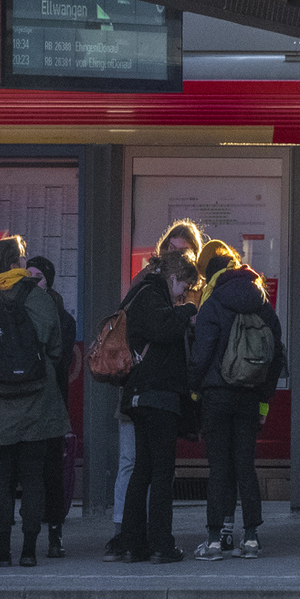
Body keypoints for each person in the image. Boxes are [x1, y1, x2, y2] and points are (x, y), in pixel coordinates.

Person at [0, 236, 66, 567]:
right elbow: (56, 347)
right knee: (33, 478)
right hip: (37, 405)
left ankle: (1, 548)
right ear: (16, 264)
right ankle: (30, 550)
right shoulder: (38, 297)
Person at [106, 220, 204, 556]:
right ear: (174, 277)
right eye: (182, 287)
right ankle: (161, 544)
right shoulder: (151, 292)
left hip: (141, 396)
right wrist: (188, 310)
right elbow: (162, 328)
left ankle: (134, 543)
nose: (182, 295)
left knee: (143, 471)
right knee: (161, 473)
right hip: (156, 397)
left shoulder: (145, 292)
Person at [187, 241, 285, 560]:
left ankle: (216, 540)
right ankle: (252, 538)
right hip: (248, 397)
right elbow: (275, 358)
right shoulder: (263, 307)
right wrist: (263, 401)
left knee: (220, 468)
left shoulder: (213, 306)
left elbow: (201, 357)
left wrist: (193, 391)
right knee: (245, 465)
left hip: (216, 396)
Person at [26, 255, 78, 558]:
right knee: (33, 470)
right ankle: (36, 531)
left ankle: (55, 532)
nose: (33, 280)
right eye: (28, 274)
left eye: (39, 276)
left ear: (49, 281)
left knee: (51, 470)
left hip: (51, 402)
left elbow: (60, 361)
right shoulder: (18, 311)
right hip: (31, 401)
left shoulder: (62, 317)